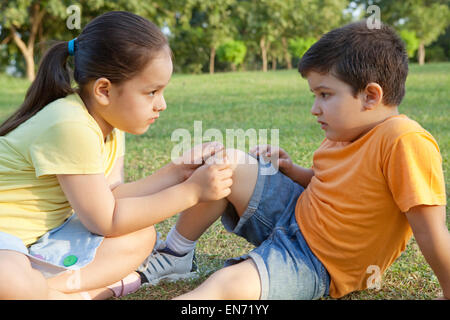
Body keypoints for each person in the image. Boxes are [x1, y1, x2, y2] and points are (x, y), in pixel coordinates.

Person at [139, 20, 449, 300]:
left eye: (325, 95)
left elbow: (431, 232)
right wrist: (291, 170)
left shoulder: (404, 140)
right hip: (294, 213)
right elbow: (328, 182)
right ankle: (176, 253)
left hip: (318, 261)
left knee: (228, 285)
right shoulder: (345, 130)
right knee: (226, 163)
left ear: (370, 96)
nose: (315, 108)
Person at [0, 11, 232, 300]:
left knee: (142, 236)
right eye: (152, 92)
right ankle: (65, 291)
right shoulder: (70, 124)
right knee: (10, 282)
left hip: (40, 240)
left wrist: (176, 173)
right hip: (6, 239)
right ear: (104, 90)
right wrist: (191, 192)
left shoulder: (109, 123)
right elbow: (105, 221)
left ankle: (53, 291)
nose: (162, 104)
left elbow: (112, 196)